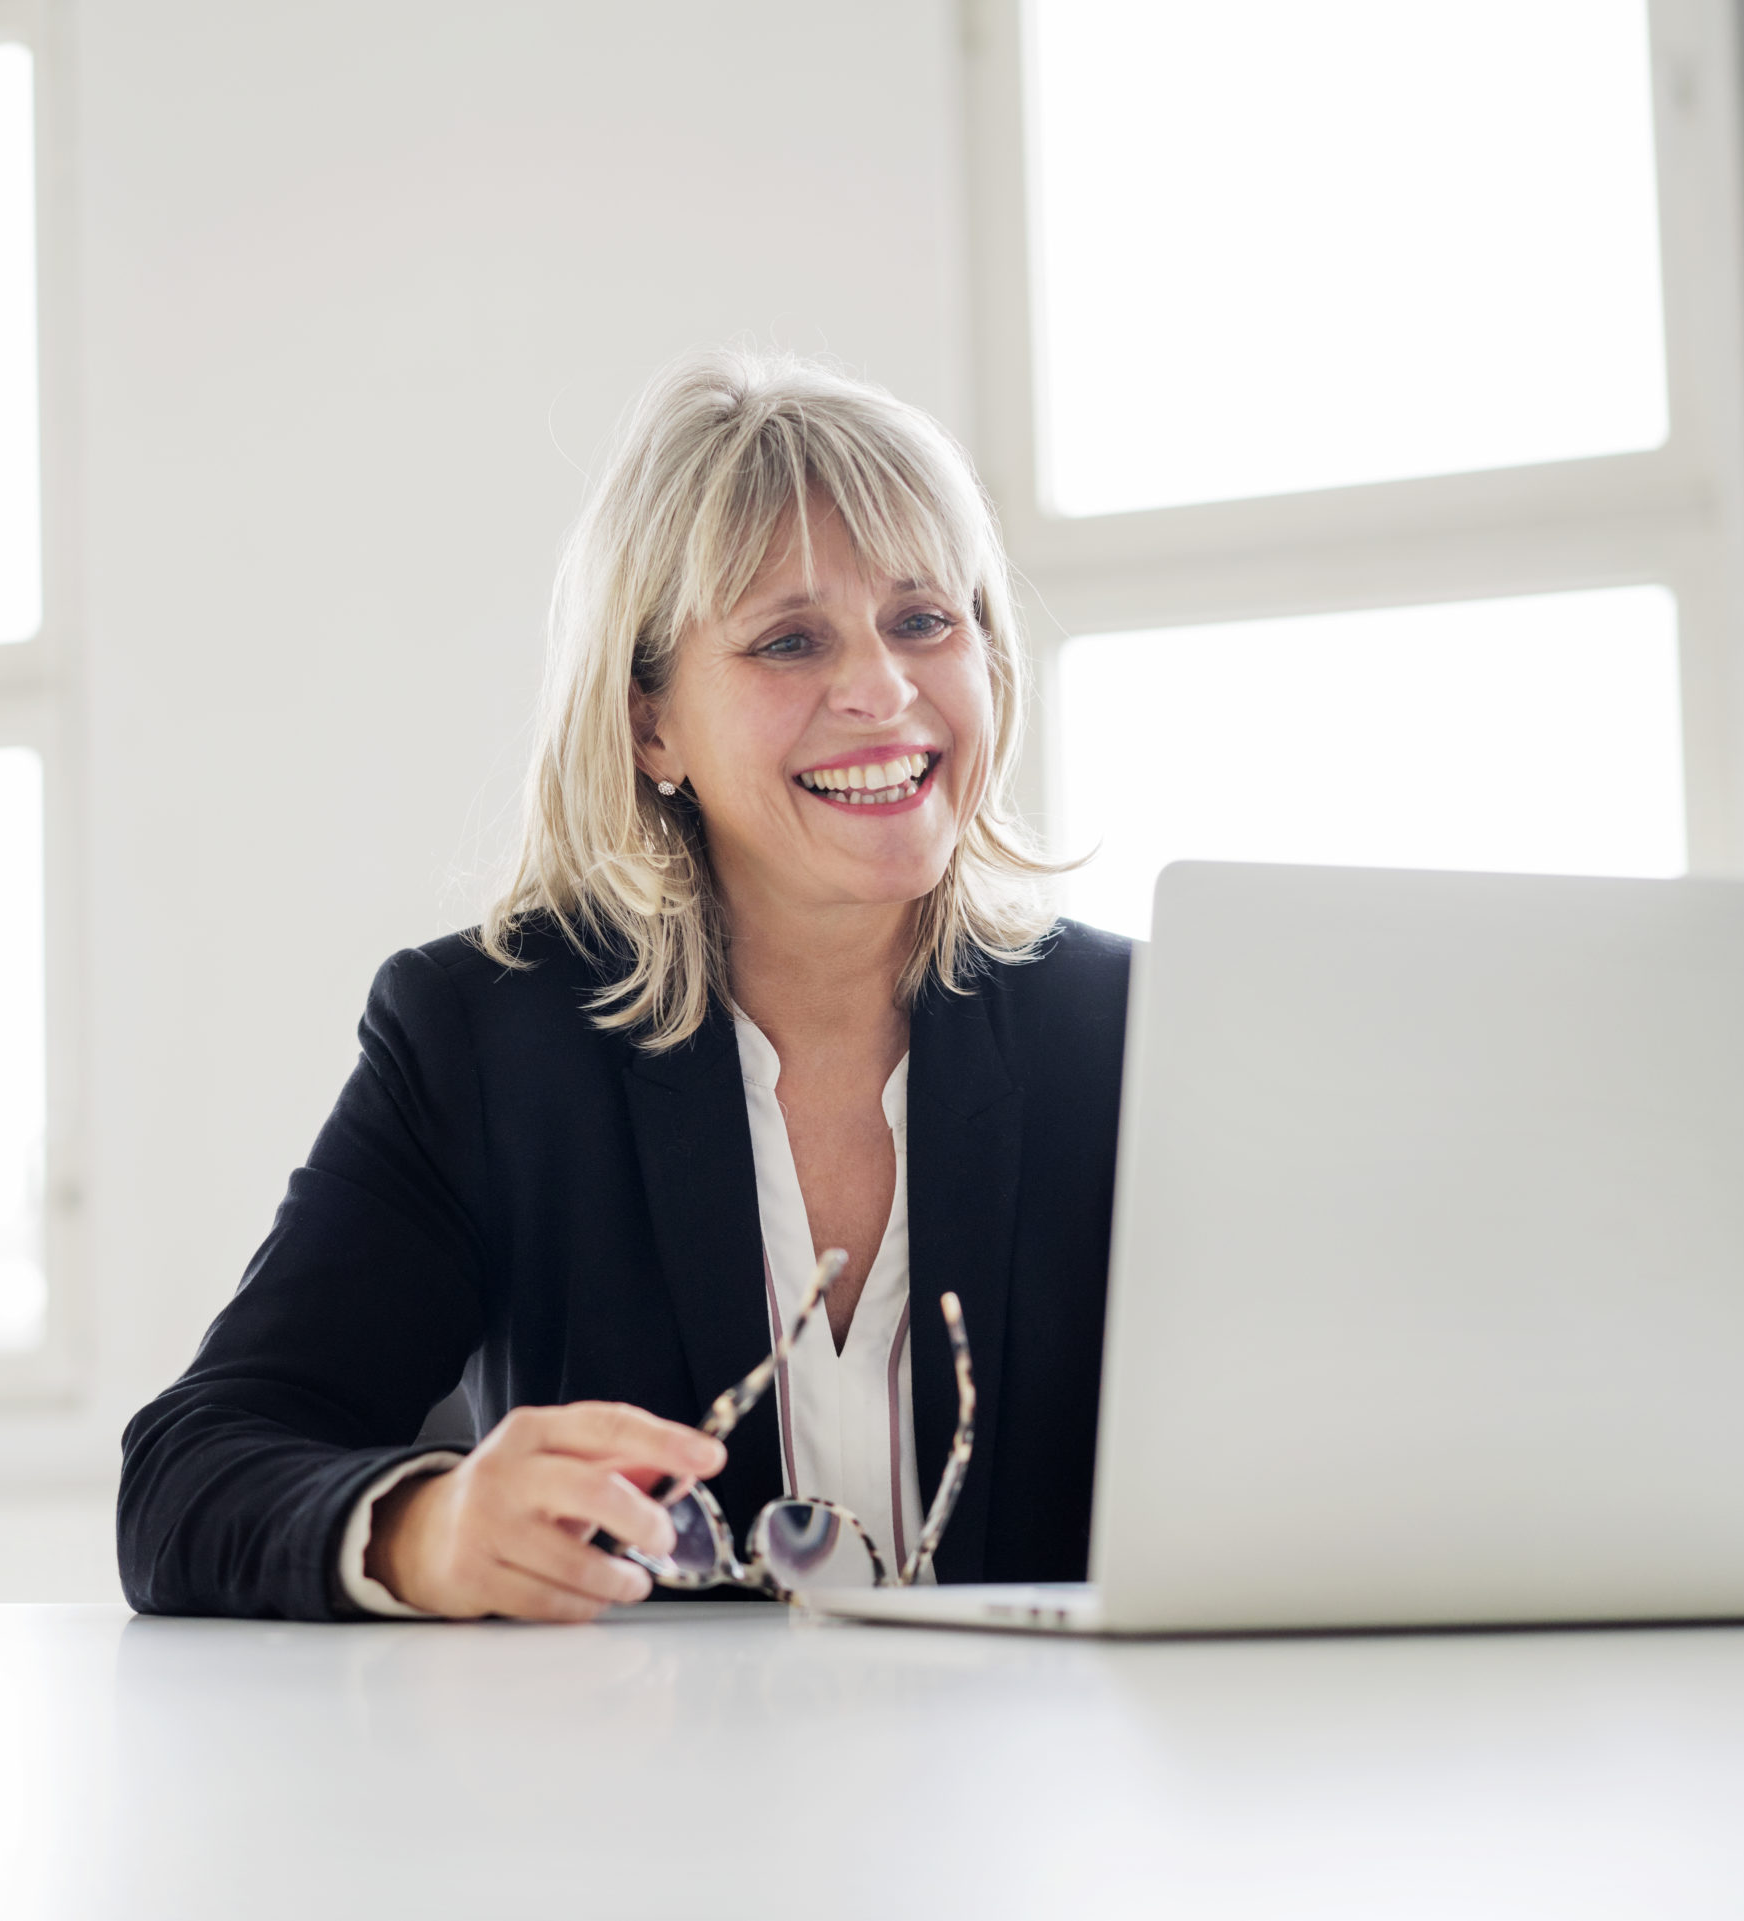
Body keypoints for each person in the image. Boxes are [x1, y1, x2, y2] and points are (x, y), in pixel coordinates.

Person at [117, 350, 1130, 1621]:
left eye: (927, 621)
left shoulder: (1136, 1035)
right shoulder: (487, 1041)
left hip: (1056, 1802)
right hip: (644, 1800)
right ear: (651, 723)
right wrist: (429, 1529)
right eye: (790, 639)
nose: (881, 687)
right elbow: (190, 1469)